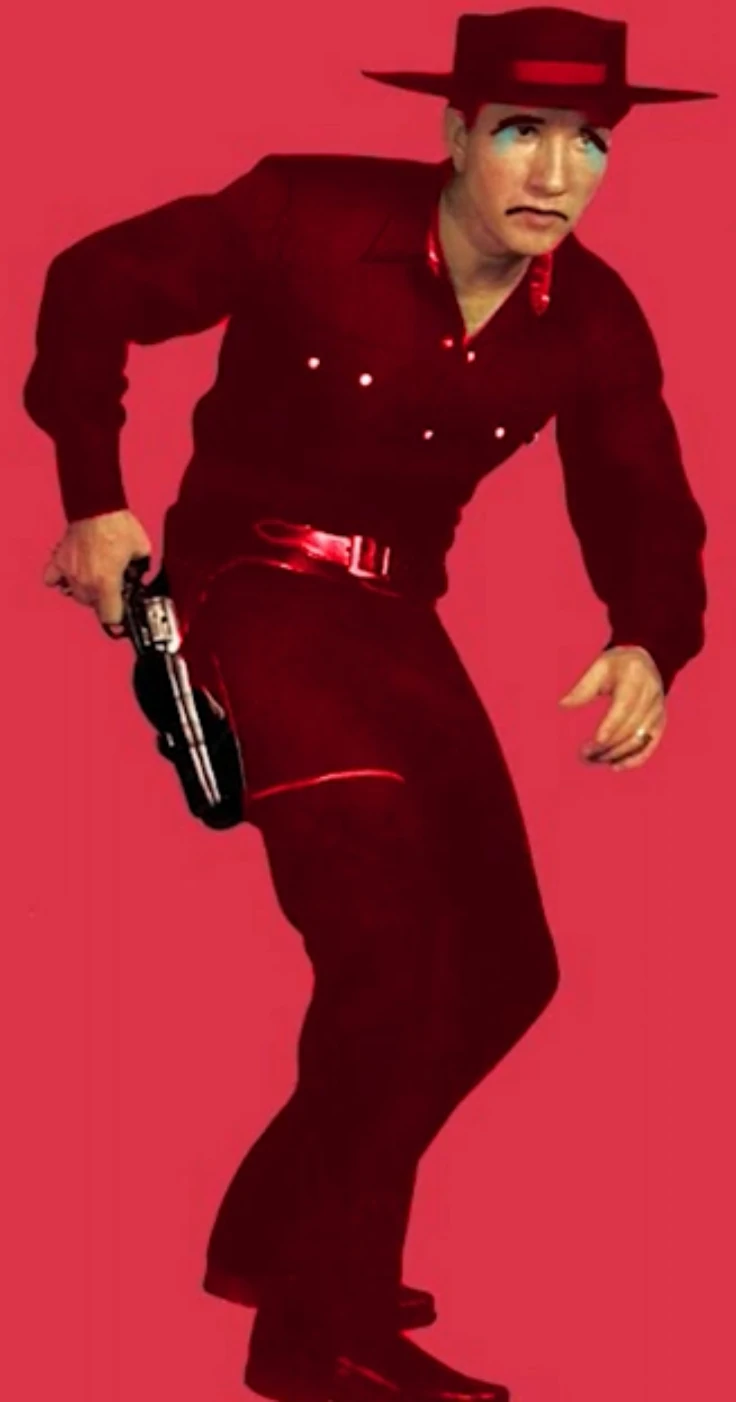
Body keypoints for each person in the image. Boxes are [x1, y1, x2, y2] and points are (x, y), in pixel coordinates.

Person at [23, 7, 713, 1400]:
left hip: (395, 622)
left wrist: (650, 639)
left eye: (589, 143)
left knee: (508, 967)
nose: (556, 173)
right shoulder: (302, 211)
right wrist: (93, 499)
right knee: (390, 958)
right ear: (455, 132)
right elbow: (90, 280)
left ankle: (281, 1231)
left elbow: (642, 494)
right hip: (246, 586)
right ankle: (315, 1333)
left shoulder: (594, 313)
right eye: (521, 132)